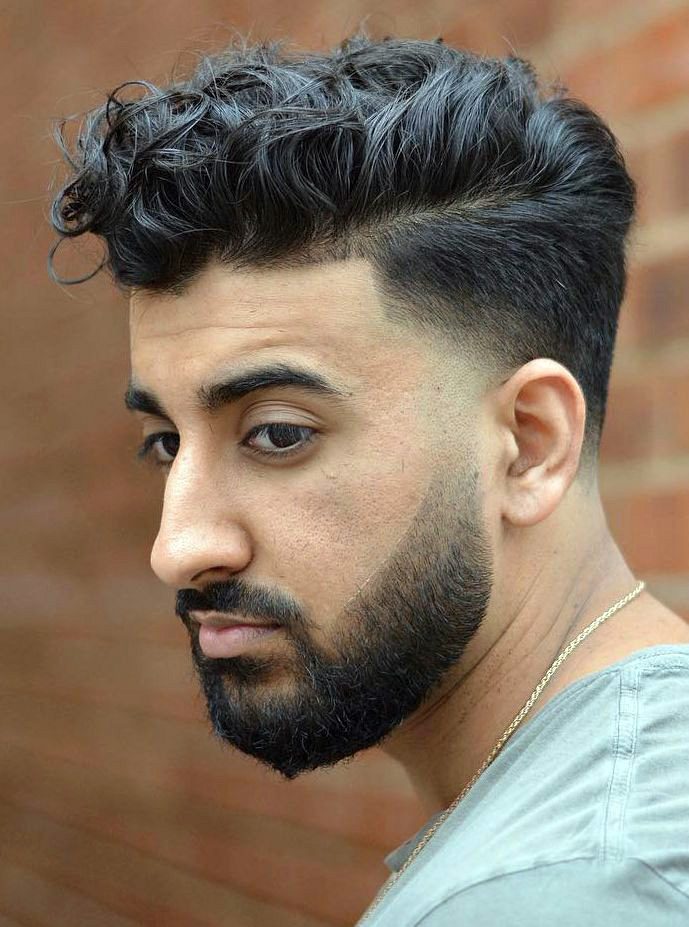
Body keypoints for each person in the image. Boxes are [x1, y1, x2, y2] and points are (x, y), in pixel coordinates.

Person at [48, 30, 689, 925]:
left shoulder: (571, 888)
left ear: (529, 444)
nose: (179, 548)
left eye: (277, 434)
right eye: (164, 441)